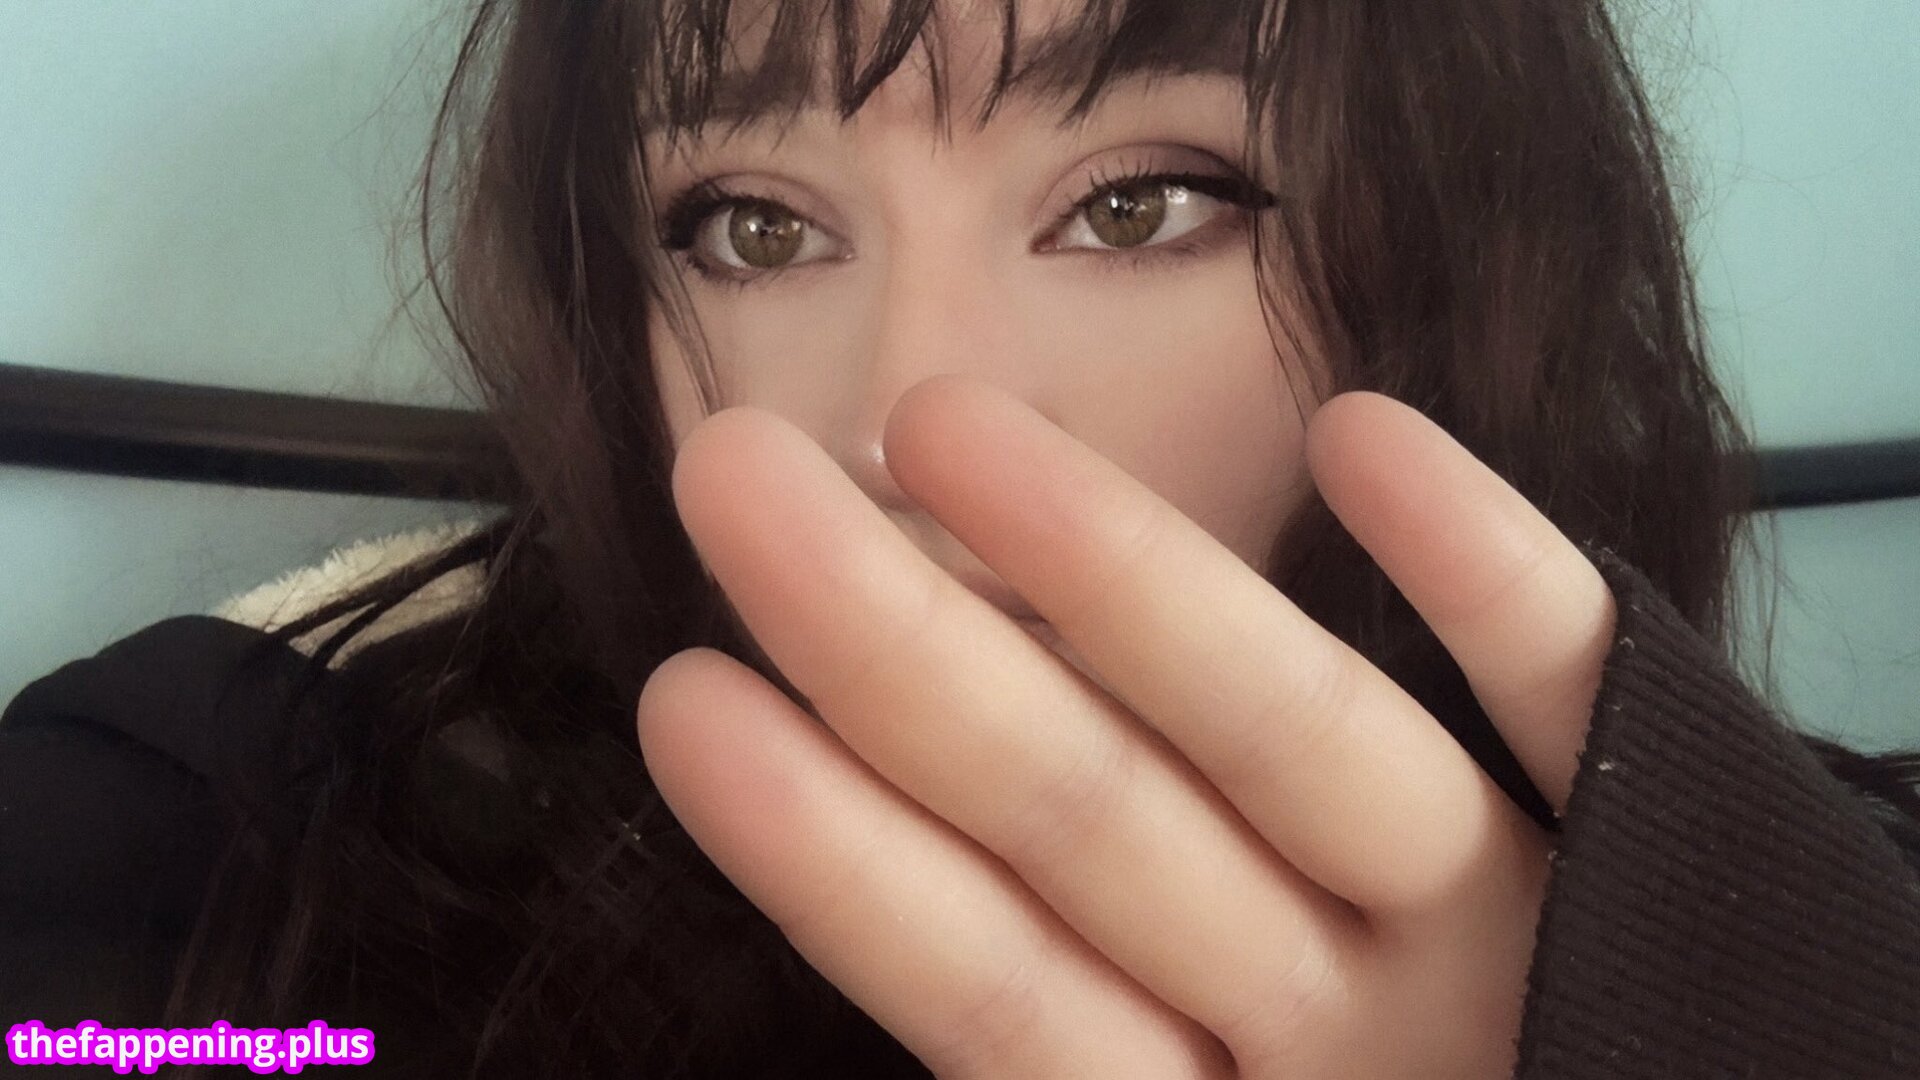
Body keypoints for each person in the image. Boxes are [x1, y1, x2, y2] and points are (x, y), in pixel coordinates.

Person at [4, 0, 1919, 1076]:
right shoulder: (217, 827)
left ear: (1459, 271)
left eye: (1142, 203)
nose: (900, 428)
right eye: (756, 227)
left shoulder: (1849, 926)